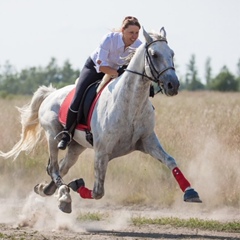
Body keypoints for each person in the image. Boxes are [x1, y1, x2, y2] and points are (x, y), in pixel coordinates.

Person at [58, 16, 142, 150]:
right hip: (95, 68)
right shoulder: (109, 39)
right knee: (78, 97)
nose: (134, 36)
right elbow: (102, 67)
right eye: (131, 32)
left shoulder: (139, 46)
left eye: (137, 33)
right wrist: (118, 73)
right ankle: (66, 133)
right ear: (122, 31)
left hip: (117, 72)